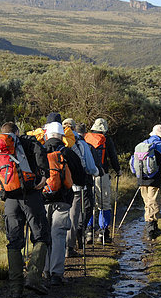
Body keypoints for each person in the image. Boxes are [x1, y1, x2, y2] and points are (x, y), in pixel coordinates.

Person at [0, 122, 51, 298]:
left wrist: (1, 189)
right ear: (17, 132)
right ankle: (33, 278)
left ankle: (16, 288)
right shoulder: (27, 141)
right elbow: (41, 155)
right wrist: (44, 175)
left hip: (9, 199)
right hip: (31, 195)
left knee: (14, 240)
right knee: (41, 235)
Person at [42, 121, 86, 286]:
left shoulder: (39, 150)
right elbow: (81, 178)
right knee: (58, 235)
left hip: (43, 199)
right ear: (62, 136)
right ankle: (57, 274)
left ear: (46, 135)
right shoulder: (68, 152)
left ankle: (44, 270)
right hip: (63, 200)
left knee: (44, 234)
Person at [62, 118, 99, 257]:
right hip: (76, 187)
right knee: (73, 216)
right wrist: (96, 172)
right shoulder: (80, 143)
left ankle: (55, 248)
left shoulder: (54, 140)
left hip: (57, 187)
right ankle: (69, 248)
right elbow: (89, 166)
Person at [84, 118, 121, 244]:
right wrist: (118, 170)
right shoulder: (106, 140)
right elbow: (113, 157)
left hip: (88, 176)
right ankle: (103, 233)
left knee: (90, 204)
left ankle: (88, 231)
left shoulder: (85, 138)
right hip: (102, 175)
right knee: (104, 204)